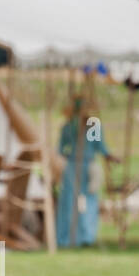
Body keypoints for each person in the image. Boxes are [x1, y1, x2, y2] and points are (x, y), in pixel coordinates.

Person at [55, 95, 118, 248]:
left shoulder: (85, 126)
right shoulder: (73, 126)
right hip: (78, 165)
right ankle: (75, 237)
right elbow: (100, 147)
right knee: (76, 201)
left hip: (80, 165)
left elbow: (63, 150)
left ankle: (79, 237)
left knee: (78, 201)